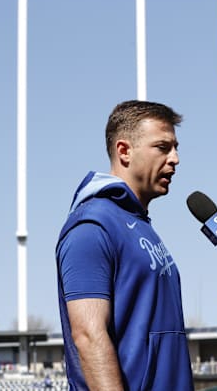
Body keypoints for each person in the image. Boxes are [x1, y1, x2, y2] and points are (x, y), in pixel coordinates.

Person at [55, 100, 194, 390]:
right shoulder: (92, 226)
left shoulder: (138, 224)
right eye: (162, 147)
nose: (175, 159)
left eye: (175, 147)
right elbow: (89, 336)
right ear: (124, 151)